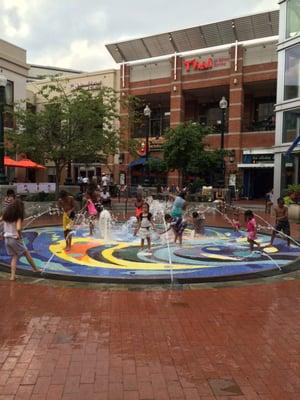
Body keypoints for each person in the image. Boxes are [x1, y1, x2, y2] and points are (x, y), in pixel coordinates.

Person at [2, 199, 41, 280]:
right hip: (14, 238)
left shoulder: (5, 215)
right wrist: (19, 235)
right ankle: (35, 269)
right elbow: (19, 228)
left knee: (14, 256)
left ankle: (12, 276)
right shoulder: (17, 217)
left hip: (7, 239)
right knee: (26, 253)